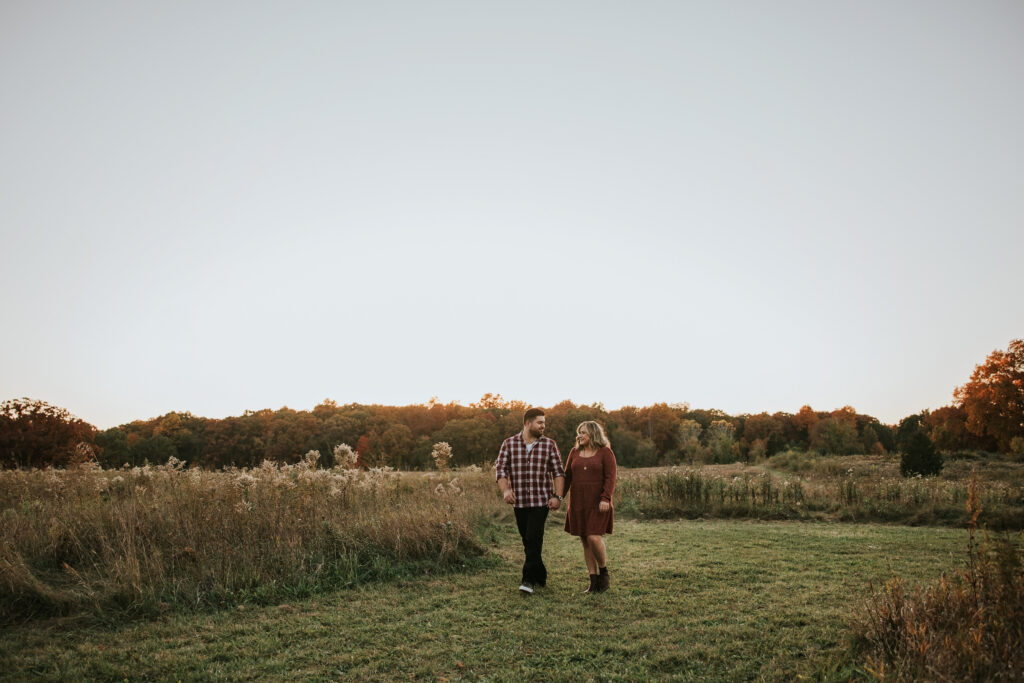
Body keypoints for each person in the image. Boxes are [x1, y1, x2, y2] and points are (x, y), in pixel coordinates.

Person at [495, 407, 566, 594]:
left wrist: (557, 496)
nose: (543, 426)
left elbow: (558, 472)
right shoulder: (509, 444)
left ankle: (527, 580)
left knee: (533, 537)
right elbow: (501, 470)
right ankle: (540, 575)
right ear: (528, 423)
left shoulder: (549, 445)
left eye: (544, 423)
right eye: (540, 422)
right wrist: (505, 490)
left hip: (541, 501)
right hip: (519, 502)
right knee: (528, 541)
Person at [563, 420, 617, 593]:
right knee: (585, 541)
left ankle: (604, 572)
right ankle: (593, 582)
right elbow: (567, 477)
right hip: (578, 501)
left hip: (598, 503)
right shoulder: (574, 452)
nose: (579, 435)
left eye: (583, 432)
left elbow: (610, 478)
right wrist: (558, 497)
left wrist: (606, 498)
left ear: (593, 434)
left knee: (594, 537)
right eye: (579, 432)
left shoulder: (605, 452)